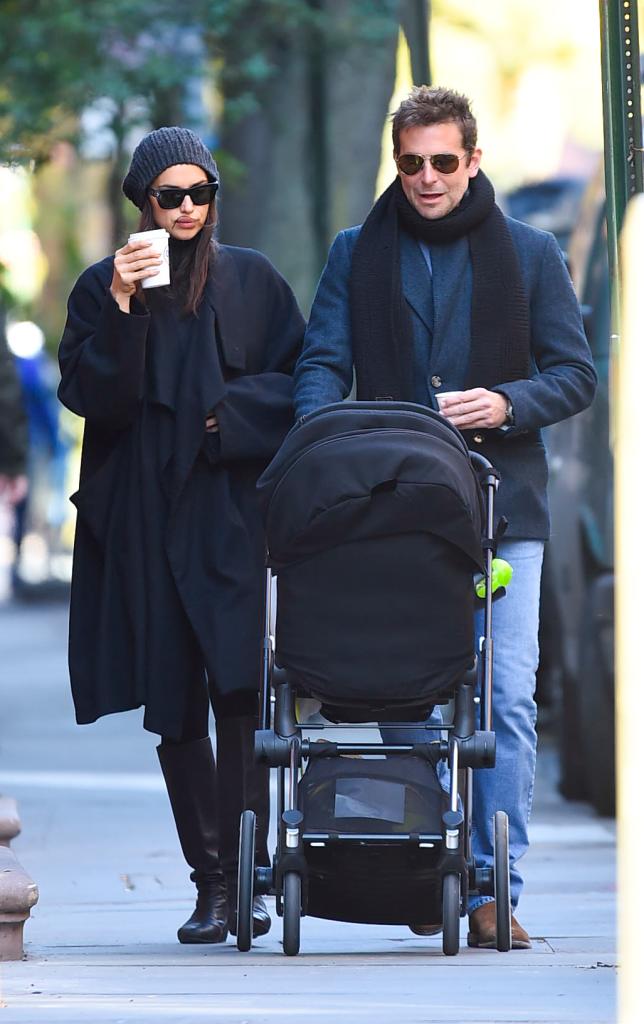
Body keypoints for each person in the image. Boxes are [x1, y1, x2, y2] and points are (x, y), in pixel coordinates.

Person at [293, 87, 597, 949]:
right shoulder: (358, 252)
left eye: (442, 162)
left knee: (505, 696)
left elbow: (574, 374)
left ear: (473, 160)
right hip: (395, 505)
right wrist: (326, 436)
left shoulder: (533, 253)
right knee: (404, 689)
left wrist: (501, 403)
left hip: (508, 508)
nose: (426, 179)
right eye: (410, 164)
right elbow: (321, 363)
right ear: (398, 164)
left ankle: (495, 889)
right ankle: (428, 868)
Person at [58, 127, 305, 944]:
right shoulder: (101, 289)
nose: (189, 208)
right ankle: (212, 884)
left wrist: (221, 419)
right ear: (143, 202)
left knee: (239, 693)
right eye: (171, 195)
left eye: (201, 193)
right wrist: (125, 308)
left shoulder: (253, 279)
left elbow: (298, 379)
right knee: (175, 706)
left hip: (230, 513)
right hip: (146, 520)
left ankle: (248, 878)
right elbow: (96, 397)